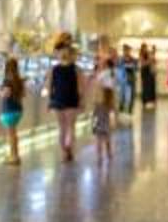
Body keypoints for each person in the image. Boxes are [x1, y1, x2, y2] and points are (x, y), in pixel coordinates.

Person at [47, 35, 83, 163]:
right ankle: (68, 149)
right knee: (71, 127)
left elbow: (49, 86)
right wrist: (81, 101)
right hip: (72, 100)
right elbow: (80, 87)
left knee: (62, 128)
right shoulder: (76, 69)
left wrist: (49, 102)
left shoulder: (54, 69)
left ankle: (64, 152)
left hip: (58, 100)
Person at [86, 38, 119, 158]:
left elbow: (109, 89)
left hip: (103, 102)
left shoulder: (106, 74)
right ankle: (103, 150)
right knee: (102, 127)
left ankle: (104, 150)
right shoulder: (102, 73)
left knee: (102, 127)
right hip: (100, 103)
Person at [0, 55, 26, 166]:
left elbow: (6, 94)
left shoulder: (7, 81)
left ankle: (14, 157)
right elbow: (23, 94)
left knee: (11, 135)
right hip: (18, 109)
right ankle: (15, 155)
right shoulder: (19, 80)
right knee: (13, 134)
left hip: (9, 110)